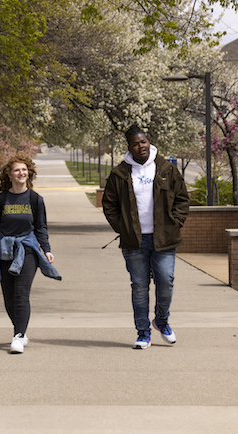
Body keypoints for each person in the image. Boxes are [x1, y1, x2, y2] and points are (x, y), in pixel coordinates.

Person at [102, 125, 189, 349]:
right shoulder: (120, 173)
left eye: (144, 142)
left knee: (166, 281)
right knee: (139, 286)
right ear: (129, 147)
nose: (141, 146)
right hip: (135, 242)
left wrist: (176, 222)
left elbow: (182, 199)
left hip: (164, 238)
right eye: (136, 144)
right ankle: (143, 332)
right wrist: (123, 228)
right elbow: (109, 205)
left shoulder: (166, 169)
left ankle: (162, 320)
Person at [0, 154, 61, 354]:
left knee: (21, 294)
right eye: (17, 170)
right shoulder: (0, 200)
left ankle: (18, 335)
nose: (21, 173)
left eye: (24, 170)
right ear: (9, 174)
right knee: (8, 296)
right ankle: (21, 330)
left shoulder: (35, 199)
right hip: (5, 251)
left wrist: (47, 249)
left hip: (28, 249)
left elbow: (41, 227)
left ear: (29, 173)